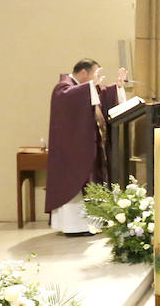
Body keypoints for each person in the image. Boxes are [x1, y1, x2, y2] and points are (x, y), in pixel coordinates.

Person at [47, 59, 127, 234]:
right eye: (95, 74)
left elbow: (100, 95)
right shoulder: (63, 88)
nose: (97, 80)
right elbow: (74, 97)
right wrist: (92, 85)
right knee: (75, 186)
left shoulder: (84, 90)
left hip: (86, 150)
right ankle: (73, 226)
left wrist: (118, 87)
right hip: (71, 153)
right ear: (83, 73)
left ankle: (91, 224)